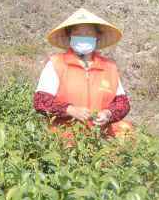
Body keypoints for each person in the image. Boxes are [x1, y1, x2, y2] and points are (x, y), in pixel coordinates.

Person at [32, 8, 134, 139]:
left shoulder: (109, 67)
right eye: (78, 32)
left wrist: (107, 114)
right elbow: (41, 101)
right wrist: (70, 110)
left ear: (96, 37)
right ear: (70, 36)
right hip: (63, 141)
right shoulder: (56, 64)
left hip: (100, 141)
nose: (83, 36)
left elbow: (122, 103)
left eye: (88, 32)